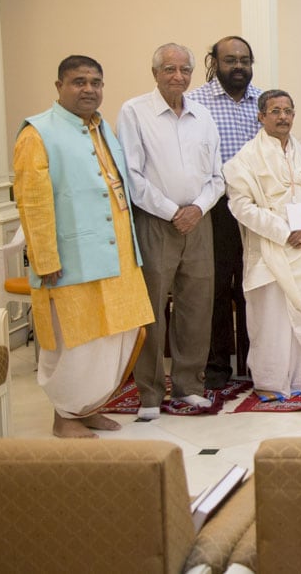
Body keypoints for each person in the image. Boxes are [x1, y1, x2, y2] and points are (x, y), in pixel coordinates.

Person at [13, 55, 154, 438]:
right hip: (71, 260)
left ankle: (89, 406)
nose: (89, 89)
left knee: (115, 337)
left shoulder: (102, 128)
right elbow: (33, 203)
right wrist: (44, 259)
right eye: (78, 82)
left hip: (119, 256)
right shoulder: (37, 133)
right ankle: (65, 415)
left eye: (95, 82)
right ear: (59, 86)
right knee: (77, 340)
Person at [118, 43, 224, 420]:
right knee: (151, 308)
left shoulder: (203, 115)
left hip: (199, 221)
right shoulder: (134, 112)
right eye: (169, 69)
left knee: (196, 306)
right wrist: (171, 210)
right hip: (155, 221)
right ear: (155, 73)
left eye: (183, 70)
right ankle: (148, 392)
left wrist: (196, 208)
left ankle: (189, 385)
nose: (177, 76)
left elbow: (217, 174)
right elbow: (132, 174)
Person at [224, 90, 301, 401]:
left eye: (288, 110)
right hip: (270, 250)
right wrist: (284, 231)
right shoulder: (245, 158)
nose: (283, 116)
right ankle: (271, 381)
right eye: (275, 111)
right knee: (270, 321)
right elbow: (241, 206)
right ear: (261, 116)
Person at [188, 36, 262, 389]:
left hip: (255, 207)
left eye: (244, 60)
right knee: (216, 287)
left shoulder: (262, 103)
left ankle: (253, 362)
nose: (238, 67)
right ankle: (217, 366)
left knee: (253, 285)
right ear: (214, 62)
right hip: (213, 207)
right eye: (230, 60)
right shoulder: (195, 103)